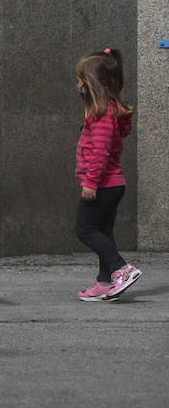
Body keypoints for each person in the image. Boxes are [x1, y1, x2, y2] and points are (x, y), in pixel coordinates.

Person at [73, 48, 141, 301]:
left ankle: (122, 269)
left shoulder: (102, 116)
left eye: (81, 81)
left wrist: (90, 182)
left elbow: (100, 152)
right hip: (113, 185)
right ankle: (105, 281)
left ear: (92, 85)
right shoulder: (110, 111)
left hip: (102, 185)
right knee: (104, 232)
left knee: (85, 230)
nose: (77, 86)